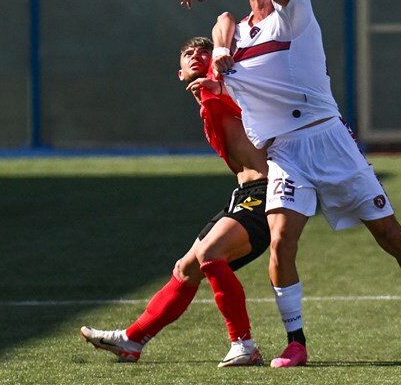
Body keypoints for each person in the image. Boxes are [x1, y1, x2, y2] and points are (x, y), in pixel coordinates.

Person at [178, 0, 401, 368]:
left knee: (390, 236)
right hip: (284, 151)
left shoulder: (293, 11)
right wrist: (217, 55)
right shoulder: (234, 37)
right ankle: (296, 342)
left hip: (328, 138)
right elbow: (224, 30)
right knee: (283, 242)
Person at [79, 36, 272, 367]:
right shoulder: (205, 97)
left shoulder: (228, 80)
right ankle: (132, 340)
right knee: (186, 269)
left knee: (212, 253)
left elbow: (224, 20)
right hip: (243, 195)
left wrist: (222, 54)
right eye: (188, 53)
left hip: (269, 190)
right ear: (179, 73)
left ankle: (244, 344)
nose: (197, 55)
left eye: (204, 51)